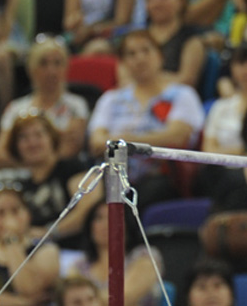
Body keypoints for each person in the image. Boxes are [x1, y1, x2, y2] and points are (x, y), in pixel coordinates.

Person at [87, 30, 204, 203]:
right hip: (116, 175)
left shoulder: (181, 94)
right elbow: (97, 142)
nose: (140, 59)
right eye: (131, 54)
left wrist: (127, 140)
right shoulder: (111, 99)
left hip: (162, 176)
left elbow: (178, 137)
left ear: (160, 56)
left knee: (146, 193)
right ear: (123, 63)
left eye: (146, 50)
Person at [0, 112, 101, 250]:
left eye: (38, 135)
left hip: (76, 251)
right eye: (24, 137)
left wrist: (50, 232)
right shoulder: (21, 185)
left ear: (51, 138)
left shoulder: (73, 168)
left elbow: (89, 209)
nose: (32, 142)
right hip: (37, 255)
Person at [0, 34, 89, 168]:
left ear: (66, 68)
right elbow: (0, 153)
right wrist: (31, 173)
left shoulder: (76, 106)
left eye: (57, 63)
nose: (51, 71)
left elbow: (71, 148)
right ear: (31, 69)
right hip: (24, 176)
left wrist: (43, 173)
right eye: (43, 63)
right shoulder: (16, 108)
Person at [140, 0, 206, 89]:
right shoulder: (137, 37)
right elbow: (124, 77)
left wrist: (145, 80)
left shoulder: (191, 39)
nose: (156, 3)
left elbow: (186, 80)